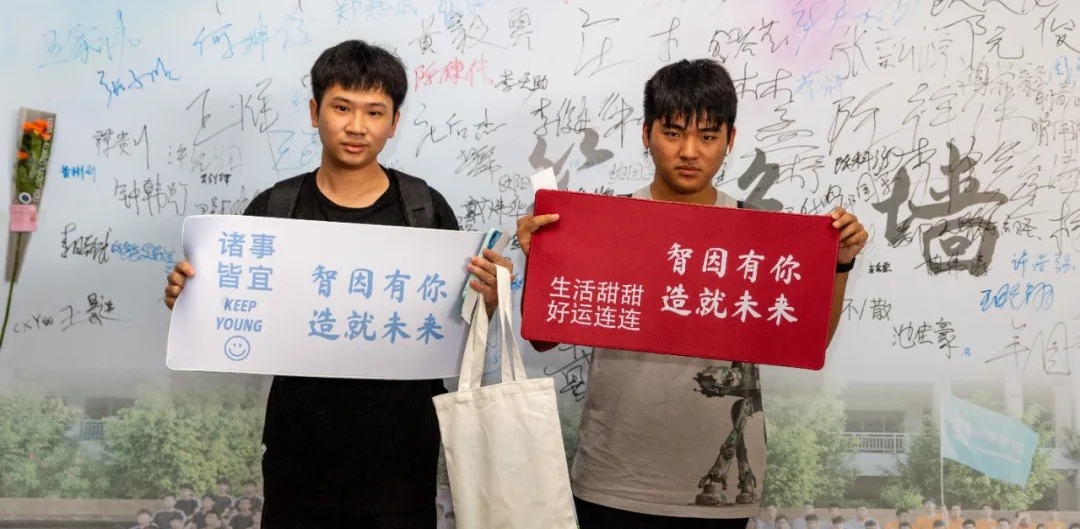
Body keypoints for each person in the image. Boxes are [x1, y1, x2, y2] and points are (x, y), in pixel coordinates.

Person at [164, 40, 510, 528]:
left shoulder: (425, 209)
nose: (356, 126)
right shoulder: (275, 209)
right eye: (342, 107)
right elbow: (235, 314)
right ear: (315, 112)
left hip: (402, 465)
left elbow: (462, 324)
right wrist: (192, 298)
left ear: (394, 122)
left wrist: (490, 300)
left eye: (374, 112)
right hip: (296, 461)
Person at [516, 58, 867, 527]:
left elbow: (809, 342)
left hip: (718, 490)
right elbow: (543, 338)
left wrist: (840, 262)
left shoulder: (759, 234)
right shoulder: (605, 225)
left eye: (707, 136)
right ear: (645, 134)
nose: (689, 151)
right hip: (613, 478)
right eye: (672, 132)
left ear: (730, 139)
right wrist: (542, 259)